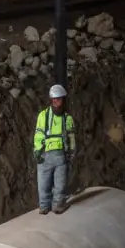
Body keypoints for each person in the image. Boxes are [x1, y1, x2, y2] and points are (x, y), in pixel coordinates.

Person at [33, 84, 76, 216]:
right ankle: (44, 206)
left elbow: (71, 137)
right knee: (43, 183)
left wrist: (72, 151)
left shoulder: (67, 118)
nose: (58, 102)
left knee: (60, 183)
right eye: (55, 99)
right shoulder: (43, 116)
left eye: (60, 99)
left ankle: (58, 205)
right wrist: (38, 151)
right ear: (51, 100)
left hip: (61, 155)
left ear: (63, 100)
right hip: (45, 154)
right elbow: (39, 134)